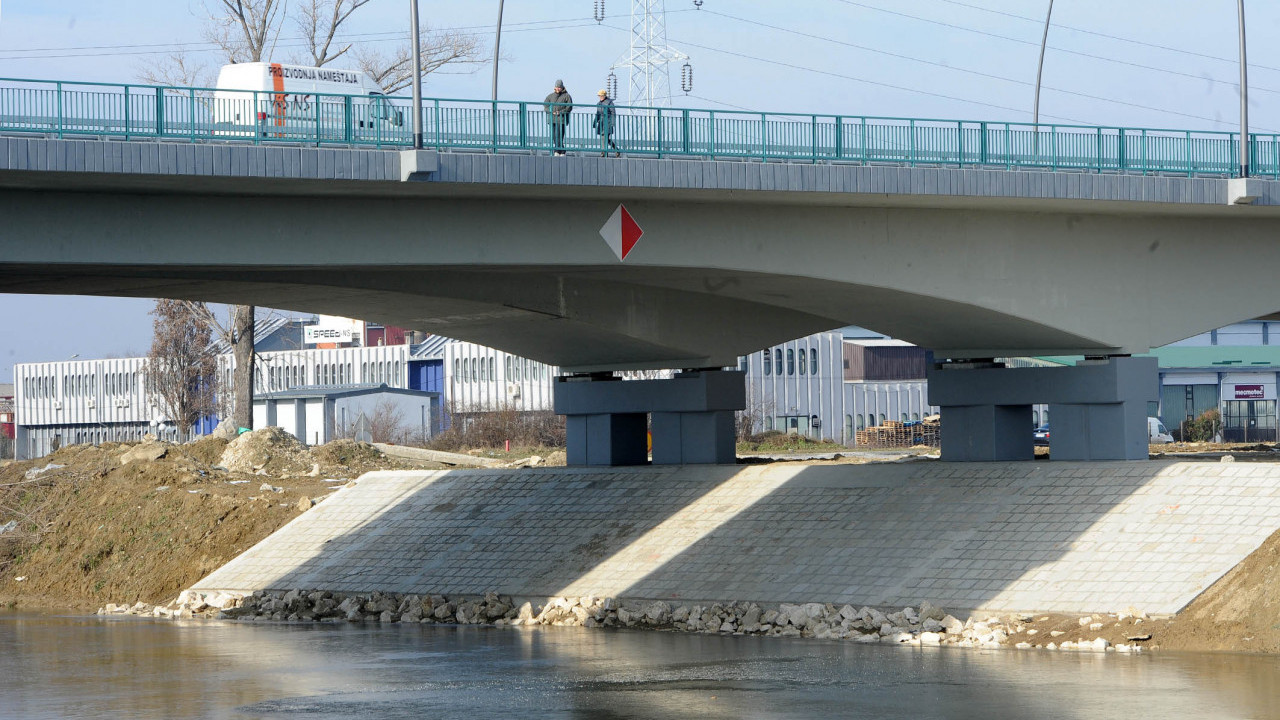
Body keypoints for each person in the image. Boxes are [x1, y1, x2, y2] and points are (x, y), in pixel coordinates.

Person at [543, 79, 573, 156]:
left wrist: (561, 112)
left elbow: (569, 107)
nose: (558, 88)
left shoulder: (567, 96)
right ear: (554, 87)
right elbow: (545, 106)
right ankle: (559, 150)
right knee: (554, 135)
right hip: (552, 119)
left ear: (562, 87)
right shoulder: (550, 96)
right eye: (557, 87)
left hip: (561, 119)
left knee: (559, 135)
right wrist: (550, 111)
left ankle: (559, 150)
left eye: (559, 87)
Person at [592, 89, 620, 157]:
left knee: (604, 138)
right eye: (599, 96)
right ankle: (615, 150)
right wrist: (595, 122)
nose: (600, 97)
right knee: (605, 138)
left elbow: (613, 113)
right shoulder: (599, 103)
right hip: (601, 123)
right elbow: (597, 113)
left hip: (608, 122)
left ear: (604, 96)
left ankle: (604, 153)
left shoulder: (609, 103)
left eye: (601, 96)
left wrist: (613, 123)